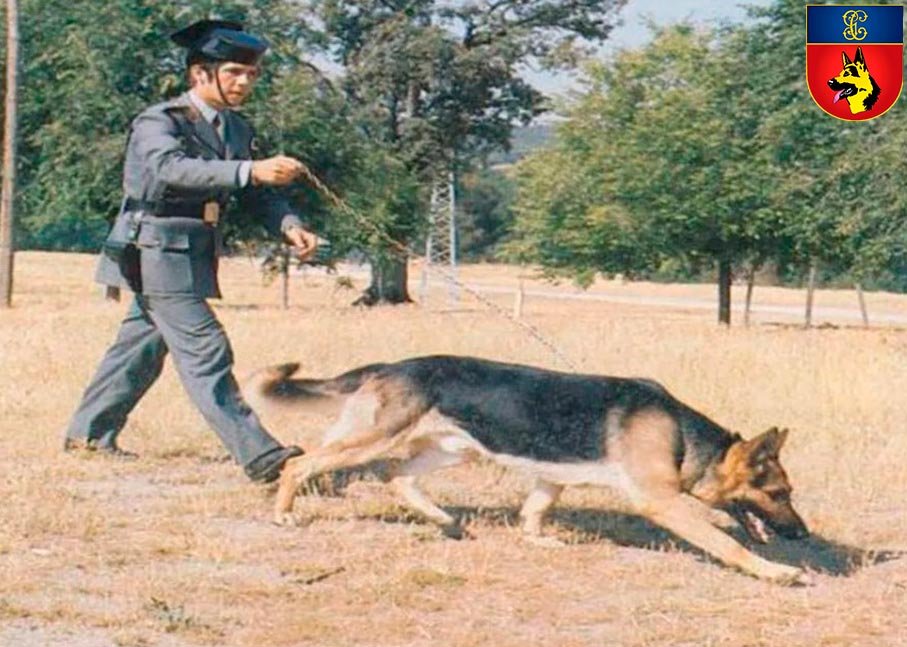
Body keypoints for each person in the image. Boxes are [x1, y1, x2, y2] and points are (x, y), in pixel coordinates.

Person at [63, 19, 316, 483]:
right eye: (235, 72)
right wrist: (249, 171)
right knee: (206, 349)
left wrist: (290, 224)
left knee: (139, 348)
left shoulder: (236, 128)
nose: (245, 82)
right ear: (201, 74)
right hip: (155, 247)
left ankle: (87, 435)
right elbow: (168, 170)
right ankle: (260, 456)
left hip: (190, 252)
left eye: (251, 75)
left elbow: (258, 193)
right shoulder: (160, 121)